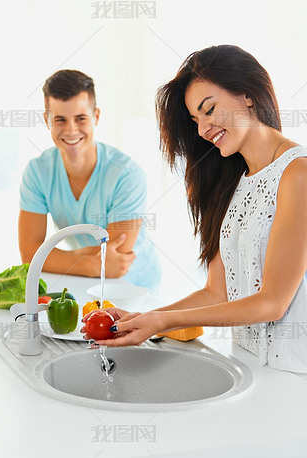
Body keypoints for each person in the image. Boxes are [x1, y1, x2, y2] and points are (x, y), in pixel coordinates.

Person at [86, 45, 307, 374]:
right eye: (195, 120)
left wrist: (163, 320)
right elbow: (217, 292)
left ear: (247, 94)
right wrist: (148, 319)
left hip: (293, 377)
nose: (203, 129)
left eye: (210, 109)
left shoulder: (298, 174)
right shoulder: (233, 181)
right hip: (247, 370)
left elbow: (272, 302)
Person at [19, 69, 161, 290]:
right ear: (47, 120)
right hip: (87, 282)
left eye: (80, 118)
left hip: (134, 288)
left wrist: (57, 258)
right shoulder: (37, 172)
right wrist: (91, 265)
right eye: (60, 120)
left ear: (96, 116)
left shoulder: (127, 175)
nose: (71, 130)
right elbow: (29, 253)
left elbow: (116, 256)